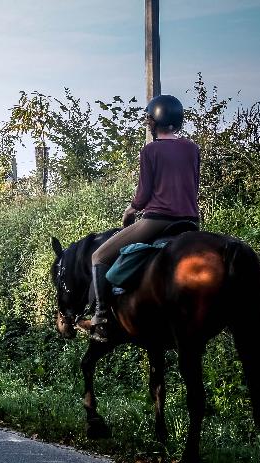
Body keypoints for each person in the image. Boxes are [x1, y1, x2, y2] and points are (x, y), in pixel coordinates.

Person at [89, 94, 200, 341]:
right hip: (191, 222)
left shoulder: (150, 151)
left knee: (99, 256)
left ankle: (100, 317)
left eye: (149, 119)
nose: (148, 123)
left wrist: (131, 210)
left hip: (158, 219)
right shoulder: (192, 148)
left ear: (156, 121)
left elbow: (144, 192)